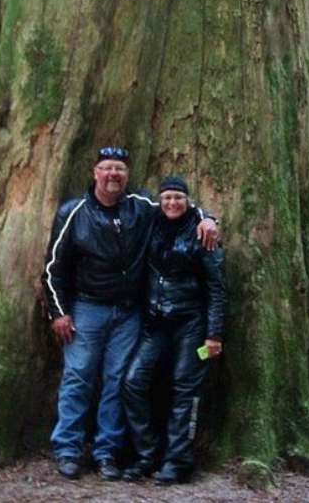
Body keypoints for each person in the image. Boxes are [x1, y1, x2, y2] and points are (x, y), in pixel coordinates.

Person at [41, 148, 218, 481]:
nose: (113, 175)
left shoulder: (140, 206)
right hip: (87, 308)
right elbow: (53, 268)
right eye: (106, 168)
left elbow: (178, 206)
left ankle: (107, 452)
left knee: (117, 381)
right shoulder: (73, 212)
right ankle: (67, 449)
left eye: (119, 169)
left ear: (127, 174)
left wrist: (209, 218)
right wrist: (59, 312)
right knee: (78, 376)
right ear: (94, 173)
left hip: (128, 313)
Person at [122, 175, 227, 485]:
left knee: (185, 387)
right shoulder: (151, 222)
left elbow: (217, 288)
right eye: (167, 197)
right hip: (155, 325)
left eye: (178, 198)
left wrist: (214, 335)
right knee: (133, 383)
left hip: (191, 327)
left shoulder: (201, 232)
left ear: (187, 200)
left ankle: (178, 460)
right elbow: (132, 200)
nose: (172, 203)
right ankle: (147, 453)